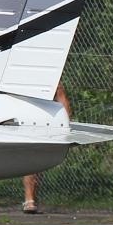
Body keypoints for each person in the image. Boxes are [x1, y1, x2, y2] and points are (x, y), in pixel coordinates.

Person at [22, 82, 72, 214]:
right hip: (29, 121)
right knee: (31, 160)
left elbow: (62, 97)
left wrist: (67, 124)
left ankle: (32, 198)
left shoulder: (54, 79)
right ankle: (29, 199)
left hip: (49, 123)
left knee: (40, 162)